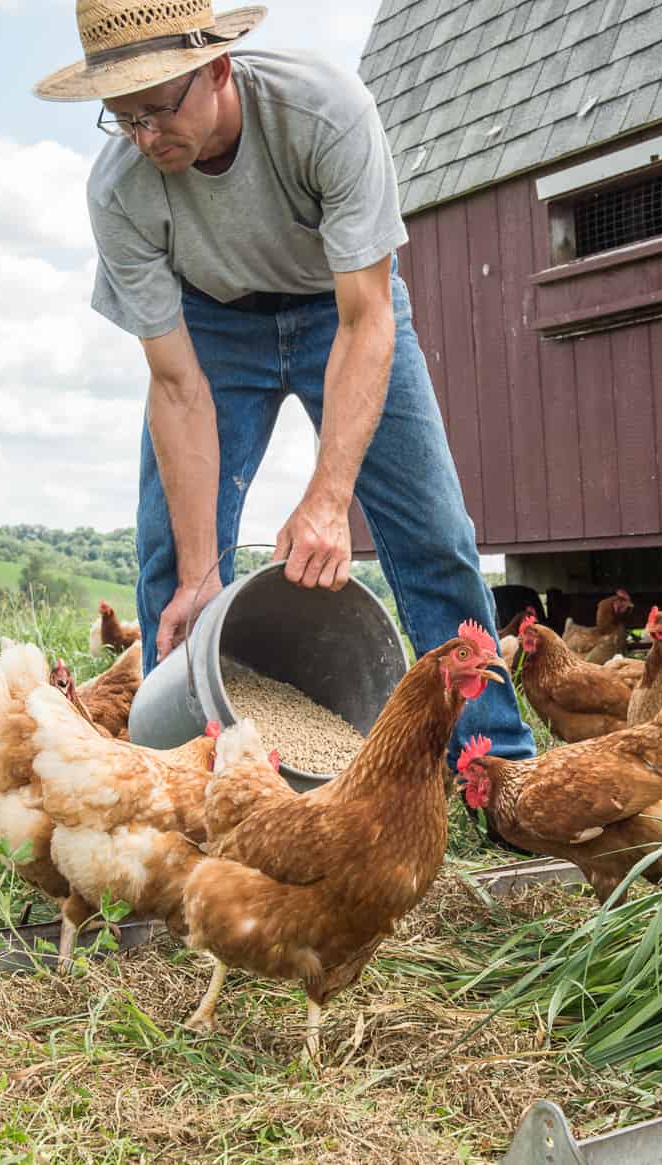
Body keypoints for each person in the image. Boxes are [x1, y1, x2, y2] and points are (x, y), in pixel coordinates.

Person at [35, 0, 535, 766]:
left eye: (158, 111)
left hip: (341, 307)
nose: (144, 138)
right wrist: (204, 571)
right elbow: (176, 385)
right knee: (173, 557)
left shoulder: (324, 114)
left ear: (217, 69)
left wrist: (329, 499)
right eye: (121, 118)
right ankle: (188, 771)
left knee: (434, 532)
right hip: (214, 323)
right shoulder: (119, 192)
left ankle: (494, 760)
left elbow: (369, 317)